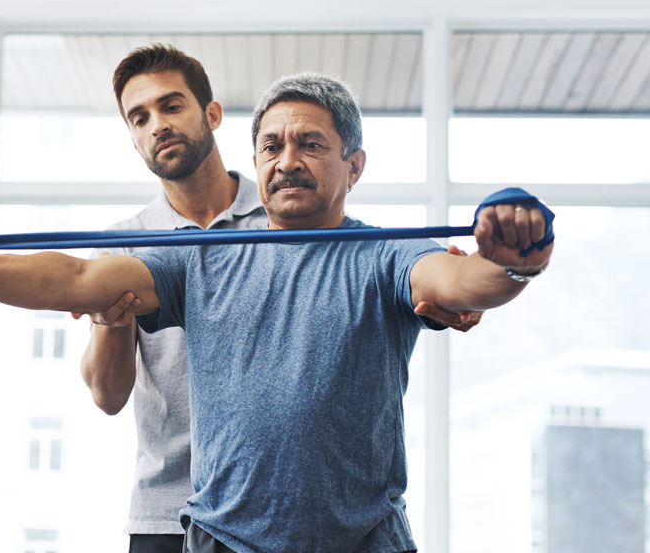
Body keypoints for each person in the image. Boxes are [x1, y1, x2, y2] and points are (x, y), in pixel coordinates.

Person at [0, 71, 552, 552]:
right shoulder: (199, 256)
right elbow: (79, 278)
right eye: (271, 146)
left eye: (311, 146)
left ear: (353, 166)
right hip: (221, 539)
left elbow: (465, 281)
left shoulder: (385, 254)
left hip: (365, 540)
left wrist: (517, 253)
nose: (287, 161)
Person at [74, 45, 483, 553]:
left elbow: (379, 284)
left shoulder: (286, 207)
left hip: (300, 508)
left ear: (212, 114)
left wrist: (460, 292)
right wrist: (109, 316)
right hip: (169, 510)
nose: (157, 125)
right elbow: (108, 396)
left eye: (171, 106)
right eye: (139, 118)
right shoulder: (126, 243)